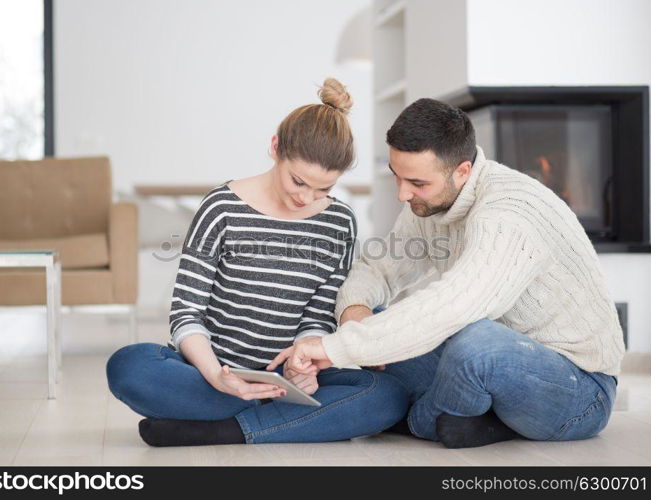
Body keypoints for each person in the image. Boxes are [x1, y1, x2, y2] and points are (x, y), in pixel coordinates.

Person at [268, 98, 625, 449]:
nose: (402, 194)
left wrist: (338, 348)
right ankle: (461, 415)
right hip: (471, 357)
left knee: (475, 346)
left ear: (462, 172)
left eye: (417, 183)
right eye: (398, 177)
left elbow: (454, 306)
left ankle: (418, 420)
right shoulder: (430, 203)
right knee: (374, 322)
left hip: (580, 388)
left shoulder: (508, 213)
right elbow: (378, 267)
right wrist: (354, 318)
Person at [106, 78, 409, 447]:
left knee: (387, 394)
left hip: (286, 378)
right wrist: (217, 375)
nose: (306, 197)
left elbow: (317, 315)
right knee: (128, 367)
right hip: (212, 373)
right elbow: (186, 312)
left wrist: (306, 364)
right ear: (275, 147)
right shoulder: (222, 207)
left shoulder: (339, 221)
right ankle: (287, 421)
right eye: (298, 181)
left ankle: (224, 430)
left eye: (323, 189)